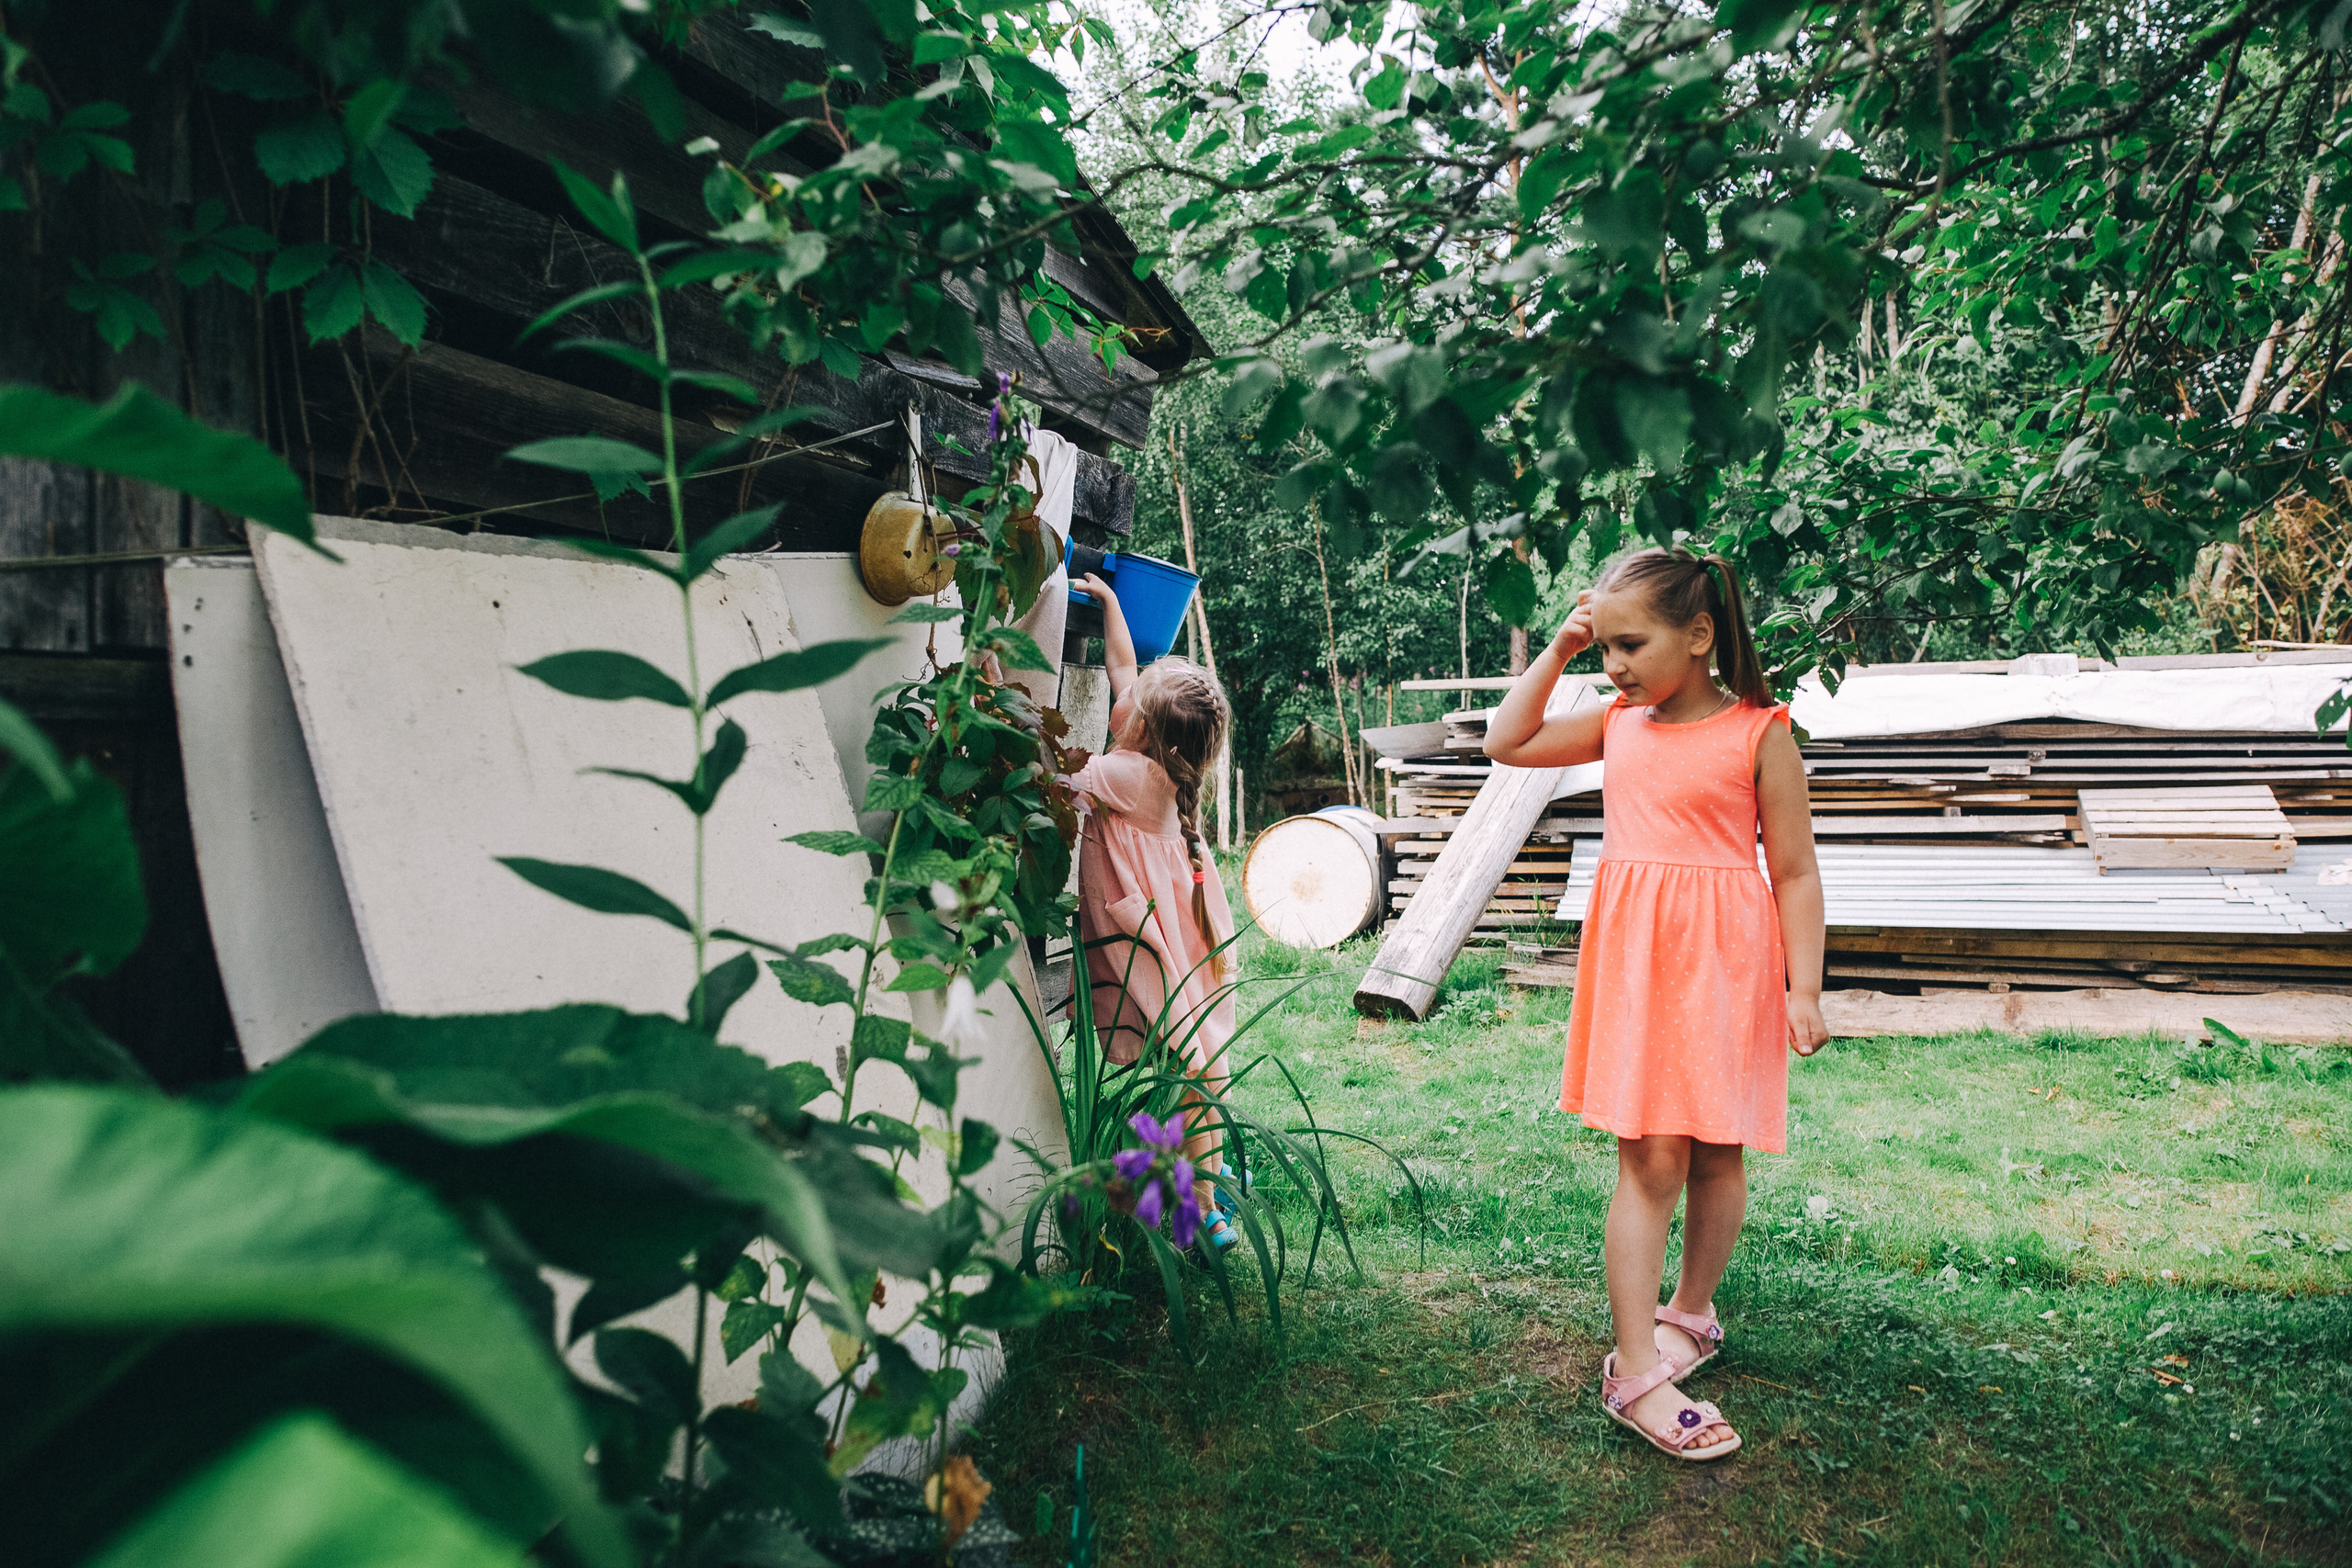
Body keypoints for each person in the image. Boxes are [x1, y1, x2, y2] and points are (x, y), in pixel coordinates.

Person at [1484, 547, 1827, 1461]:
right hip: (1644, 967)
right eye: (1604, 648)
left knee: (1719, 1151)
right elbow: (1505, 741)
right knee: (1650, 1161)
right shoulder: (1615, 722)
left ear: (1700, 634)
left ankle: (1691, 1313)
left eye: (1628, 645)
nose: (1615, 665)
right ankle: (1634, 1365)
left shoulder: (1761, 731)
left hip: (1727, 966)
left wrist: (1805, 989)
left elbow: (1793, 871)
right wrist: (1556, 653)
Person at [1069, 571, 1242, 1254]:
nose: (1126, 693)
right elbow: (1121, 665)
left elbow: (1053, 767)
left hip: (1146, 931)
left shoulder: (1127, 774)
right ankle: (1207, 1188)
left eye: (1133, 702)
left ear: (1140, 728)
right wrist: (1112, 604)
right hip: (1182, 923)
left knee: (1187, 1062)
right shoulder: (1161, 764)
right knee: (1200, 1062)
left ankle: (1195, 1208)